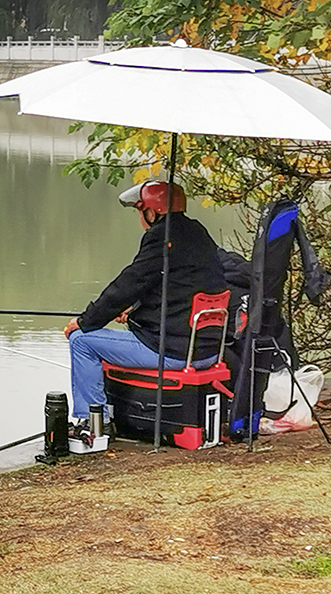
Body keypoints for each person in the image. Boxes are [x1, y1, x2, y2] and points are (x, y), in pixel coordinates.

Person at [63, 180, 228, 422]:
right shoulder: (197, 232)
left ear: (152, 211)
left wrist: (86, 320)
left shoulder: (161, 236)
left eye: (140, 211)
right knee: (91, 337)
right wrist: (134, 310)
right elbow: (177, 289)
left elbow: (130, 282)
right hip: (209, 351)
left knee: (81, 341)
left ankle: (91, 424)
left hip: (174, 352)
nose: (140, 218)